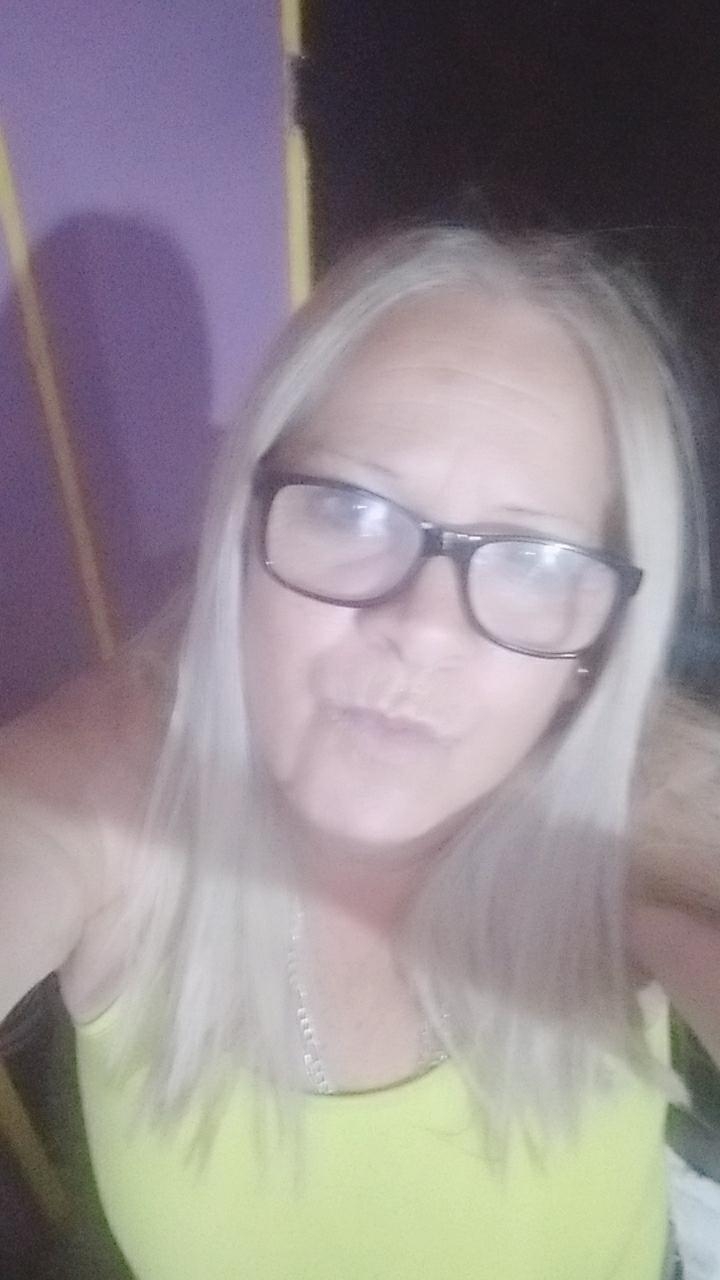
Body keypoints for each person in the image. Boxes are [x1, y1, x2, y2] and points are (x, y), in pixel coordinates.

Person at [1, 225, 718, 1279]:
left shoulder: (623, 807)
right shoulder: (119, 782)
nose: (421, 627)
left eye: (533, 559)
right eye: (352, 508)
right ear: (241, 527)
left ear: (595, 634)